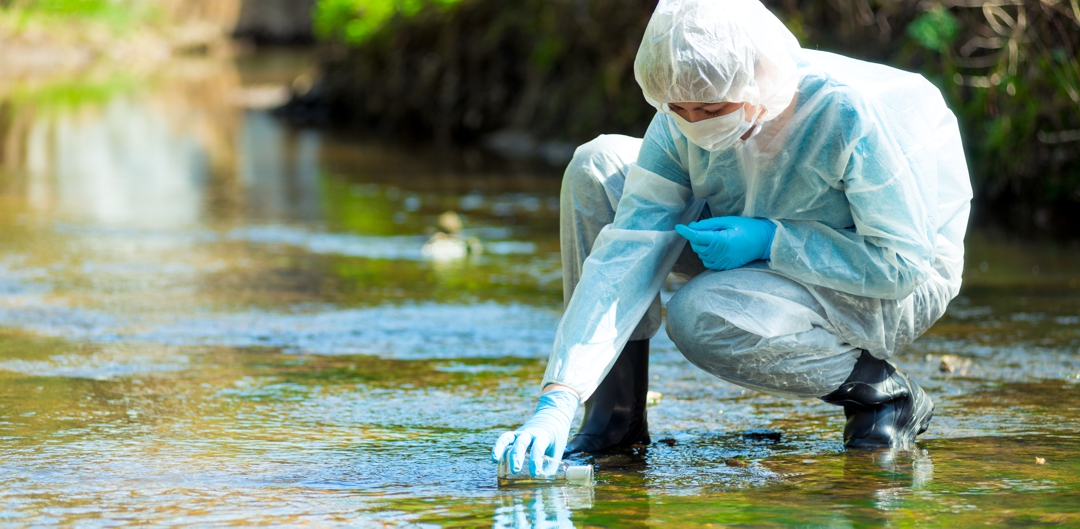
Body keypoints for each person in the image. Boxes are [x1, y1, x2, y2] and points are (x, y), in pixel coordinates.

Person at [492, 0, 972, 477]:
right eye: (679, 109)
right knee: (598, 167)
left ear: (758, 81)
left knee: (697, 315)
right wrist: (559, 396)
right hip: (742, 226)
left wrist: (772, 241)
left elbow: (900, 263)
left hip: (883, 275)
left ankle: (880, 393)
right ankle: (614, 419)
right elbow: (629, 246)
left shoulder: (845, 114)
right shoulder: (681, 113)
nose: (695, 124)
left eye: (711, 109)